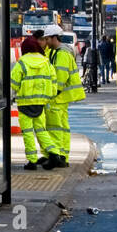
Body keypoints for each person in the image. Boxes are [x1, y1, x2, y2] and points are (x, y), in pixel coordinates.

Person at [10, 35, 60, 169]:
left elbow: (13, 83)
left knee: (27, 132)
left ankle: (32, 161)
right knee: (41, 130)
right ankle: (54, 152)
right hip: (40, 103)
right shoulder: (46, 62)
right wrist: (50, 96)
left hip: (25, 103)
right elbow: (53, 80)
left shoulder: (22, 62)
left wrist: (10, 96)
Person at [41, 24, 84, 165]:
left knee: (55, 127)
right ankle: (61, 154)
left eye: (47, 39)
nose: (45, 42)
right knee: (62, 127)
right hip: (60, 97)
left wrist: (52, 93)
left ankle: (57, 154)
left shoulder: (62, 54)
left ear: (54, 38)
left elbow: (60, 76)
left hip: (57, 97)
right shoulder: (55, 52)